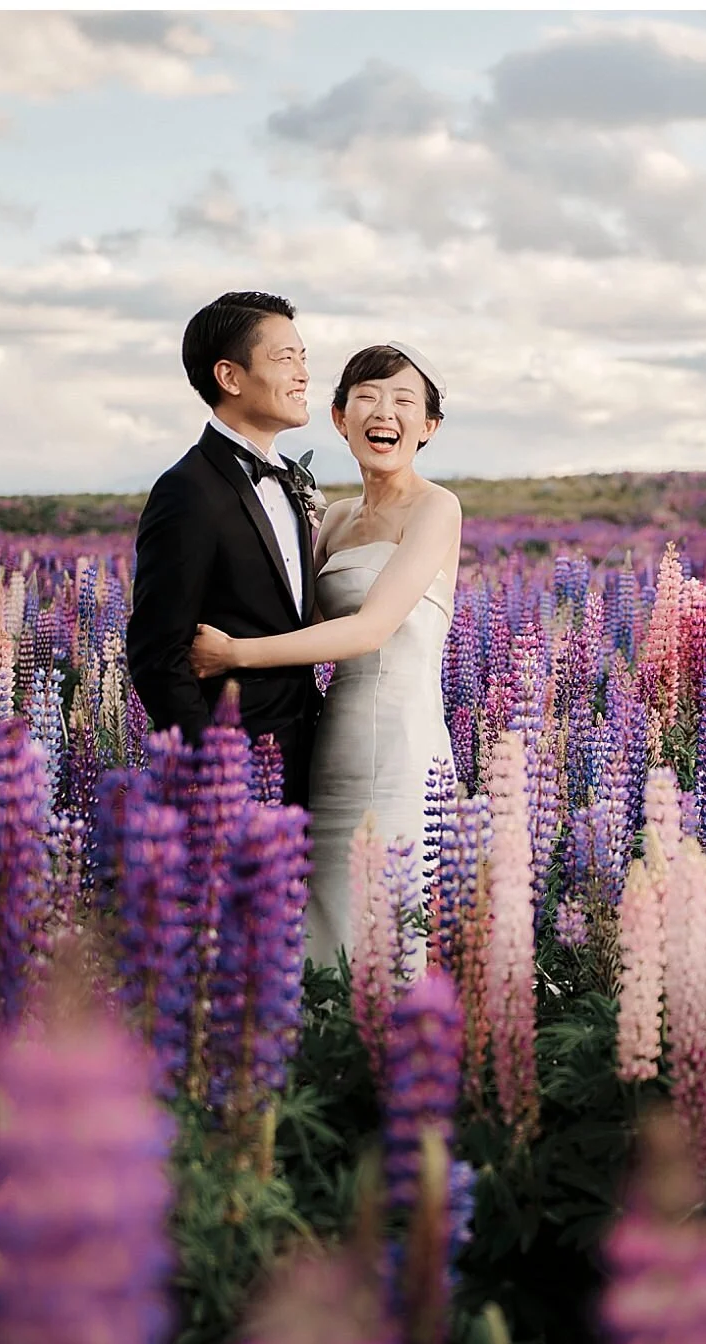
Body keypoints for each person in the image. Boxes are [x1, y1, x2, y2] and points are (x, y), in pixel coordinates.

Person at [190, 342, 461, 969]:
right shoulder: (334, 519)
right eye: (366, 396)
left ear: (429, 427)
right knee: (323, 925)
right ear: (339, 418)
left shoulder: (437, 507)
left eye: (402, 401)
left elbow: (368, 631)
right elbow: (295, 617)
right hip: (329, 734)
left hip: (401, 742)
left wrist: (236, 654)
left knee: (388, 924)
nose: (382, 412)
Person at [127, 291, 325, 807]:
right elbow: (157, 654)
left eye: (304, 358)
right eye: (285, 359)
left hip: (309, 756)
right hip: (233, 769)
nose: (303, 373)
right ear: (230, 377)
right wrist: (210, 768)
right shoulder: (188, 489)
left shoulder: (288, 480)